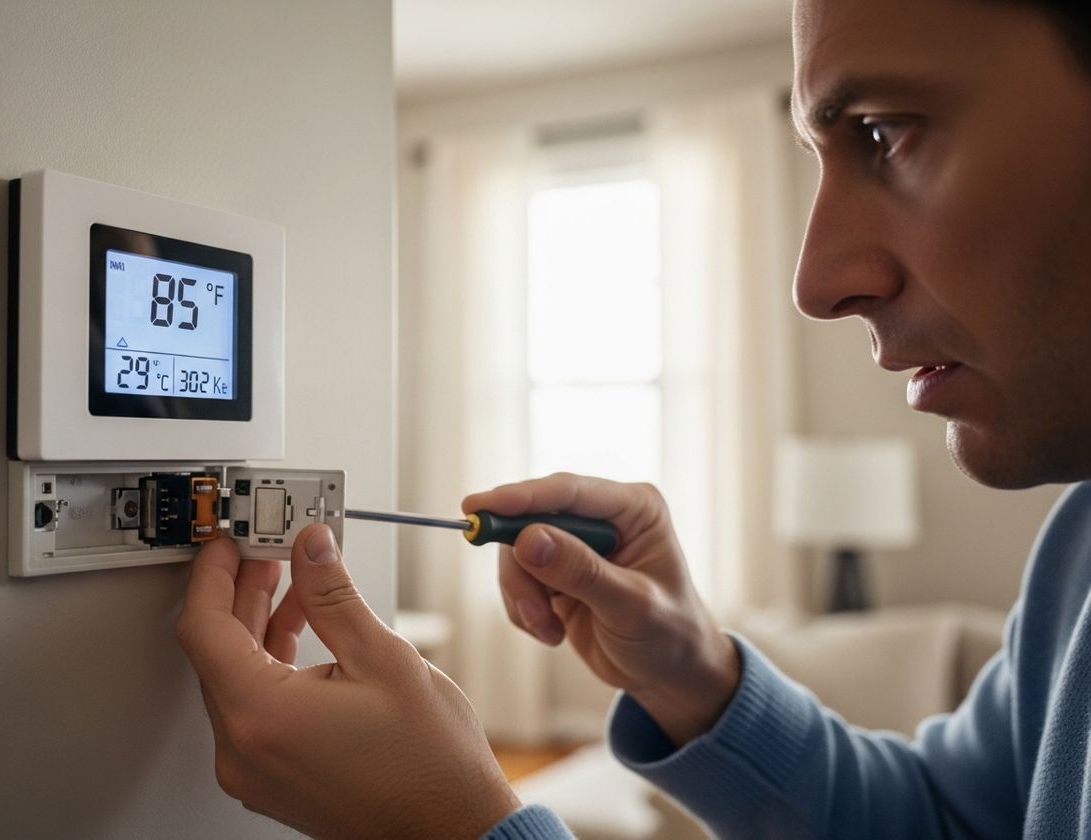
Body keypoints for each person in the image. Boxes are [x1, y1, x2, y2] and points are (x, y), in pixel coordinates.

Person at [175, 0, 1091, 835]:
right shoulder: (1077, 549)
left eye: (886, 135)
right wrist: (697, 679)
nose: (815, 282)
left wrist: (452, 826)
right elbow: (947, 824)